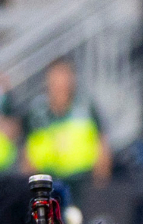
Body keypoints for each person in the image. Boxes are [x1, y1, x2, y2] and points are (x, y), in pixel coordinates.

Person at [21, 53, 109, 183]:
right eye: (56, 79)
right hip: (48, 181)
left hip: (83, 181)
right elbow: (28, 154)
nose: (61, 85)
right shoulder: (36, 112)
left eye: (65, 77)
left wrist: (100, 184)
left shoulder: (86, 107)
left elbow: (102, 147)